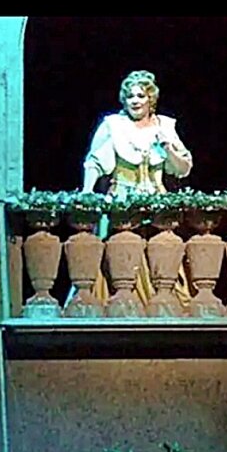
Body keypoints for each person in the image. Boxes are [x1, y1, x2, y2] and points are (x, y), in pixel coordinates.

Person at [81, 69, 194, 306]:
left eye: (140, 96)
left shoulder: (165, 126)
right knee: (120, 254)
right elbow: (95, 162)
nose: (135, 101)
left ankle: (163, 303)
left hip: (157, 205)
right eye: (130, 96)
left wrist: (168, 147)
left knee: (162, 254)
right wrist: (87, 192)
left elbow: (182, 168)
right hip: (122, 203)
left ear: (150, 99)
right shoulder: (113, 125)